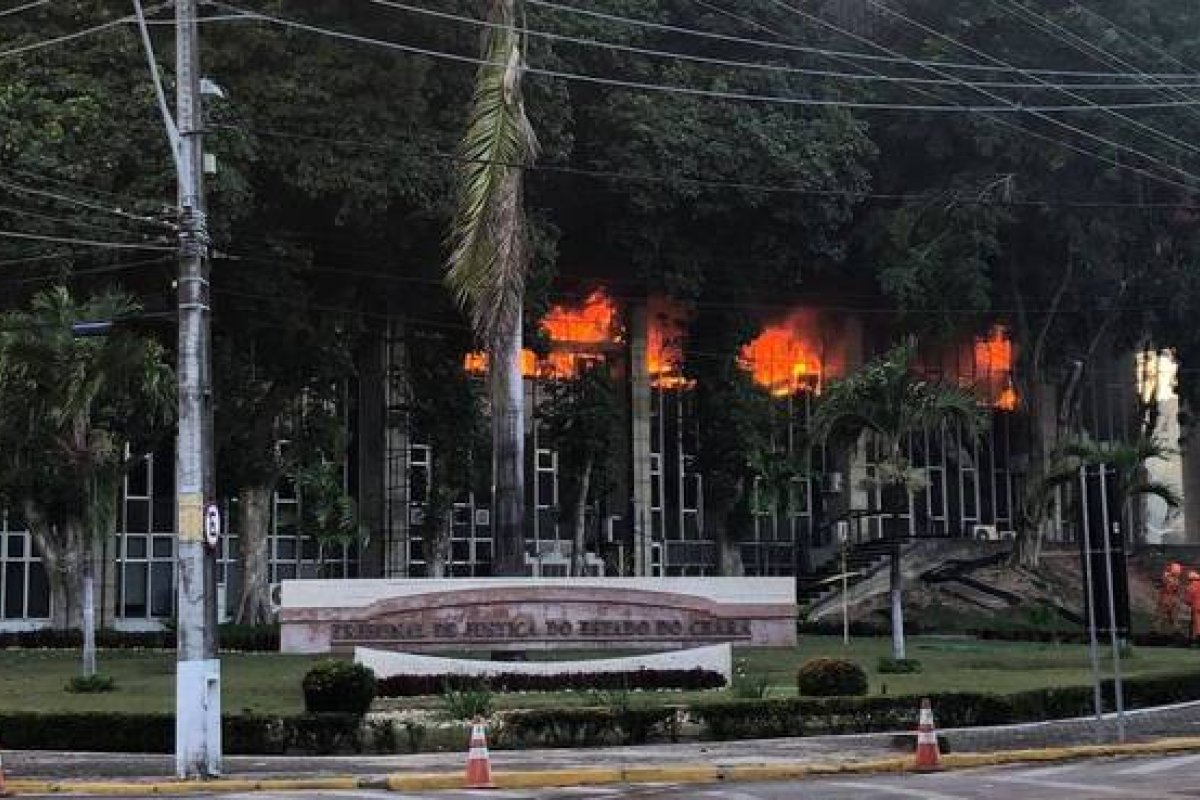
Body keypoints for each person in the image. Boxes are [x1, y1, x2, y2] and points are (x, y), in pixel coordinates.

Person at [1157, 562, 1184, 632]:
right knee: (1163, 613)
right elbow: (1171, 588)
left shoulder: (1172, 578)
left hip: (1170, 597)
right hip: (1167, 597)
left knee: (1171, 613)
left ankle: (1172, 625)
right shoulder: (1168, 578)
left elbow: (1176, 589)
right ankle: (1158, 626)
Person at [1186, 572, 1200, 644]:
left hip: (1196, 607)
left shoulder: (1190, 586)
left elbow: (1188, 600)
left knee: (1196, 624)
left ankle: (1195, 640)